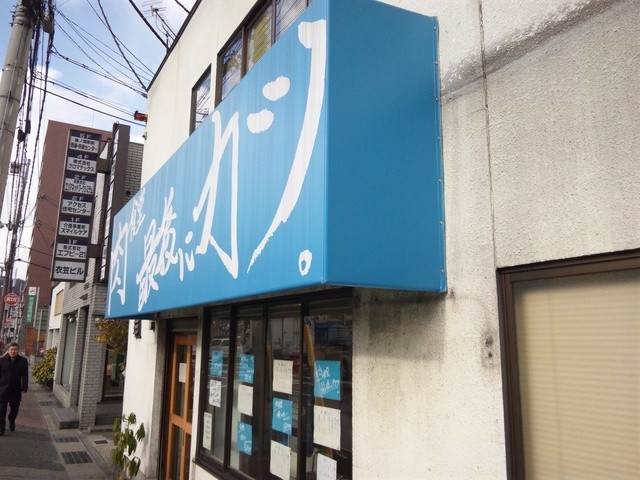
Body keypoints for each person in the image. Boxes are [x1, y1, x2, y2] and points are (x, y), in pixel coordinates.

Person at [0, 342, 29, 435]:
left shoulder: (23, 361)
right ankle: (1, 429)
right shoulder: (2, 361)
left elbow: (25, 375)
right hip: (3, 389)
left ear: (18, 350)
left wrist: (24, 387)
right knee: (1, 411)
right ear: (8, 350)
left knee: (15, 409)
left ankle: (11, 420)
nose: (13, 351)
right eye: (11, 349)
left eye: (15, 349)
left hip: (15, 390)